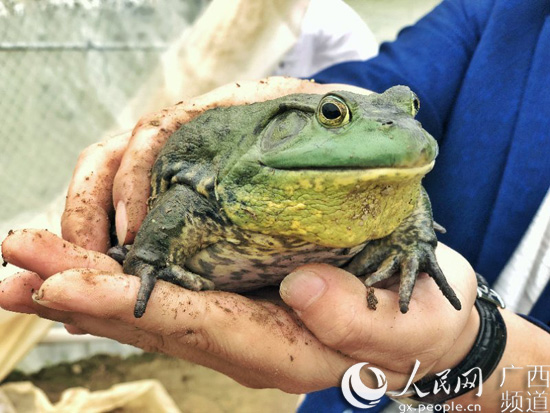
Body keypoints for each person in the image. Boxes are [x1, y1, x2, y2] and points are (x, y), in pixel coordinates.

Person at [1, 0, 549, 410]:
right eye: (333, 118)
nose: (406, 129)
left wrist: (473, 351)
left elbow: (400, 157)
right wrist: (305, 96)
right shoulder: (510, 11)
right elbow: (379, 88)